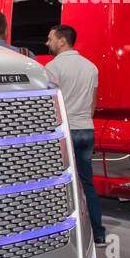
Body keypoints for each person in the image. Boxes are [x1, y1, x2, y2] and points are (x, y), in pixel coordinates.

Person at [45, 25, 106, 245]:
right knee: (87, 184)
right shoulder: (91, 67)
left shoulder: (52, 67)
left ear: (62, 41)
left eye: (50, 38)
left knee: (59, 186)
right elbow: (93, 103)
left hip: (66, 132)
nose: (47, 43)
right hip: (86, 129)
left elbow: (50, 103)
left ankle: (62, 237)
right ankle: (98, 234)